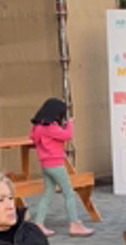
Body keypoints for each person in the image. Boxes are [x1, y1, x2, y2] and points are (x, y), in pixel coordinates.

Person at [29, 98, 93, 237]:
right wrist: (69, 123)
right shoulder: (50, 127)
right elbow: (67, 135)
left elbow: (33, 139)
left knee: (48, 193)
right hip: (56, 164)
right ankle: (74, 224)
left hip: (45, 164)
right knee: (69, 193)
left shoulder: (37, 127)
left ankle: (39, 224)